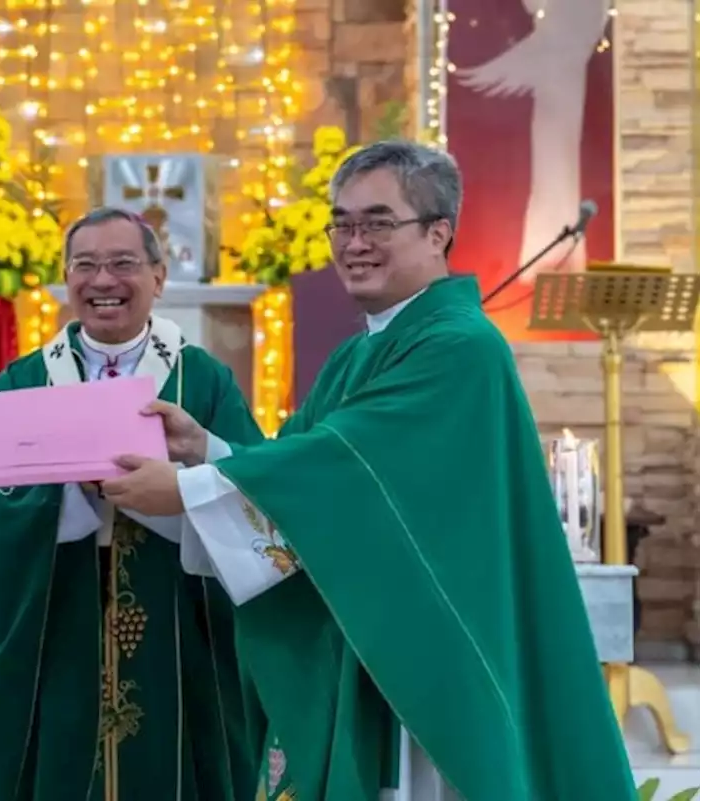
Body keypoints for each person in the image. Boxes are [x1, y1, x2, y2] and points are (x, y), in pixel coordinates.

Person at [102, 140, 638, 801]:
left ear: (439, 231)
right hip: (384, 640)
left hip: (435, 648)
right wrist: (208, 451)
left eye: (377, 222)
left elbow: (347, 472)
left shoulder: (458, 347)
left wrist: (185, 493)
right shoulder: (363, 352)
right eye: (342, 223)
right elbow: (313, 468)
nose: (353, 242)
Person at [0, 207, 266, 801]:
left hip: (179, 627)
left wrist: (188, 477)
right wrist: (66, 492)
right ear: (65, 278)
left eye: (123, 264)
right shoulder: (23, 381)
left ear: (158, 276)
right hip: (59, 620)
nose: (103, 281)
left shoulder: (201, 380)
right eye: (85, 265)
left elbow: (256, 484)